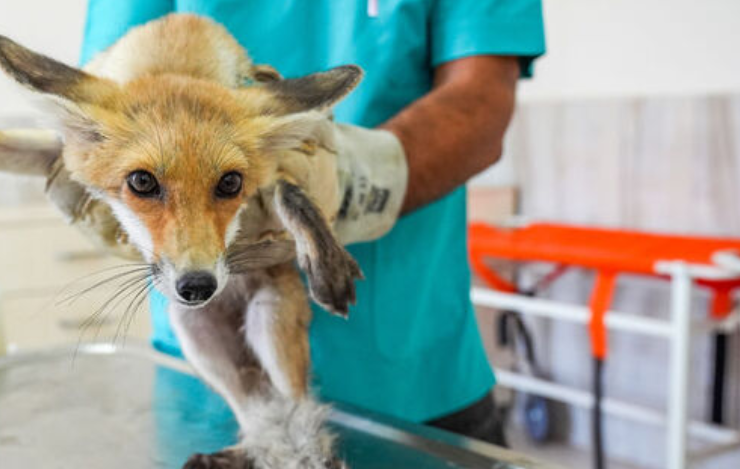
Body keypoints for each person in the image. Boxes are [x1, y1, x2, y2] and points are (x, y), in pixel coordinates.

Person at [81, 1, 545, 446]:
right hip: (206, 372)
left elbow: (481, 101)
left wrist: (355, 179)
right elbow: (111, 81)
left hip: (412, 377)